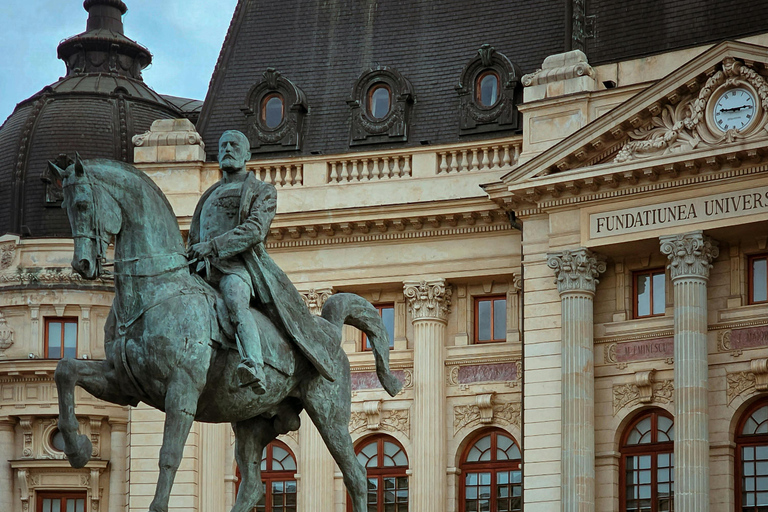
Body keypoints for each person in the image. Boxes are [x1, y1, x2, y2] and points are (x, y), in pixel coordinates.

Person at [188, 130, 334, 393]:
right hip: (203, 271)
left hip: (238, 269)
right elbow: (195, 236)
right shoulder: (207, 195)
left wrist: (212, 247)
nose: (227, 149)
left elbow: (255, 230)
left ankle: (253, 364)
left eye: (234, 145)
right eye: (222, 146)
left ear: (247, 155)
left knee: (235, 301)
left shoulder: (261, 191)